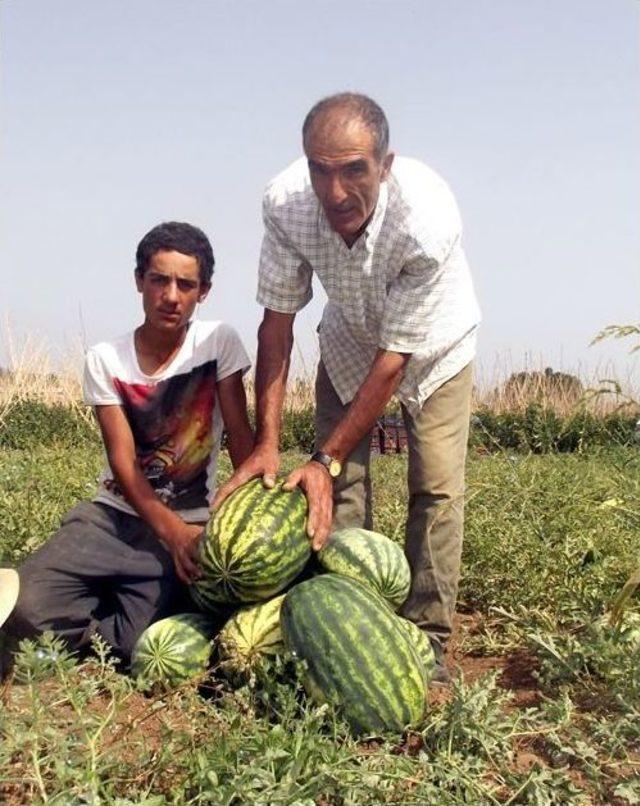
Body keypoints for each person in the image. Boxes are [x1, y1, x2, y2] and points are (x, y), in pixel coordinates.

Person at [215, 93, 480, 683]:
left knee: (434, 487)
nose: (334, 192)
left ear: (386, 164)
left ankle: (427, 639)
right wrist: (267, 443)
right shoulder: (286, 204)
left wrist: (321, 454)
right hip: (348, 340)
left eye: (354, 169)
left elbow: (396, 361)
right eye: (319, 169)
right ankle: (348, 628)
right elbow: (277, 324)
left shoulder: (426, 220)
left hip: (434, 349)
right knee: (341, 487)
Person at [4, 222, 254, 666]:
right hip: (112, 517)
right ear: (139, 281)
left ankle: (98, 622)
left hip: (192, 521)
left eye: (186, 284)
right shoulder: (106, 360)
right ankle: (94, 608)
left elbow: (241, 439)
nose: (171, 295)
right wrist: (170, 532)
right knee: (24, 611)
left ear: (204, 291)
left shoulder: (219, 344)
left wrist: (241, 521)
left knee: (139, 648)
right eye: (159, 279)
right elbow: (124, 463)